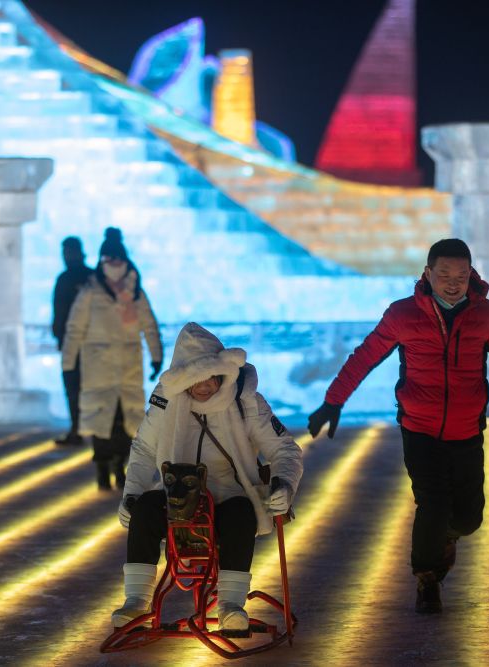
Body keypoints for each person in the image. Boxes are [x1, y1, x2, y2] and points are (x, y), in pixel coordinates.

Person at [307, 238, 489, 614]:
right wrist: (333, 401)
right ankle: (427, 578)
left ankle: (444, 537)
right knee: (433, 504)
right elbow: (365, 357)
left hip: (466, 430)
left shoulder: (486, 315)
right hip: (419, 429)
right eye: (444, 274)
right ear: (428, 273)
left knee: (468, 518)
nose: (453, 283)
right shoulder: (403, 315)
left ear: (471, 275)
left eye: (461, 276)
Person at [112, 323, 303, 631]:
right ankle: (136, 601)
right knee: (146, 508)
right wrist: (131, 494)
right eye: (194, 379)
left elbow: (284, 449)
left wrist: (284, 483)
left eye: (209, 377)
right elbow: (144, 448)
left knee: (241, 513)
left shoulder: (246, 401)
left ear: (221, 374)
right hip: (176, 498)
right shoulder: (166, 400)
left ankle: (230, 606)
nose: (203, 386)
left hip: (229, 497)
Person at [62, 227, 162, 490]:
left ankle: (120, 466)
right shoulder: (90, 290)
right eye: (109, 259)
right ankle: (102, 468)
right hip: (99, 367)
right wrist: (68, 362)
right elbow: (75, 328)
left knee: (127, 421)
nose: (114, 264)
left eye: (117, 259)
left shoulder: (135, 291)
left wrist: (156, 355)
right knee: (101, 420)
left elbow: (149, 325)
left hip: (128, 366)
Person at [52, 236, 92, 446]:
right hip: (83, 344)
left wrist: (59, 335)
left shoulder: (69, 278)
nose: (66, 256)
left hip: (79, 343)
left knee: (75, 388)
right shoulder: (90, 277)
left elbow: (60, 313)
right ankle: (83, 429)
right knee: (78, 388)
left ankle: (79, 430)